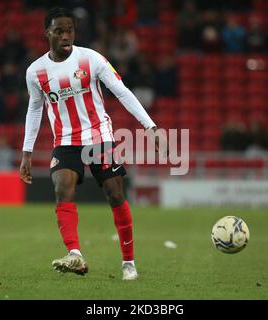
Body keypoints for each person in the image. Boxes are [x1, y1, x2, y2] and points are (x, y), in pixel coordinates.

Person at [19, 7, 162, 281]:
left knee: (114, 193)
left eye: (69, 30)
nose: (65, 35)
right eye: (59, 31)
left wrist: (150, 127)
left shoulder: (91, 59)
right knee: (62, 189)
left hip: (98, 135)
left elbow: (122, 91)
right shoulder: (35, 72)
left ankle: (128, 262)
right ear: (46, 33)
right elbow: (35, 110)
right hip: (66, 140)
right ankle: (75, 255)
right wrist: (27, 152)